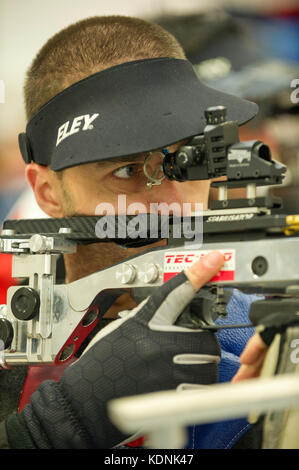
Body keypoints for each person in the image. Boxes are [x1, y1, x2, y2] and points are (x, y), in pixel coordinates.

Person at [0, 15, 262, 449]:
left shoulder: (263, 343)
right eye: (125, 170)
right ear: (46, 191)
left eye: (188, 161)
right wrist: (53, 428)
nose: (174, 206)